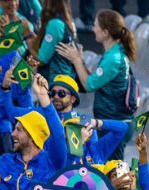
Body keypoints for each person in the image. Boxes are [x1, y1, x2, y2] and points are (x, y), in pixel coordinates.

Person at [55, 10, 136, 162]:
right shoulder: (114, 53)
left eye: (96, 26)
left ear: (105, 32)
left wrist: (76, 61)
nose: (93, 29)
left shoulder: (114, 58)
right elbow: (94, 80)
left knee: (113, 171)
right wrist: (80, 61)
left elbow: (89, 85)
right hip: (111, 120)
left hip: (115, 123)